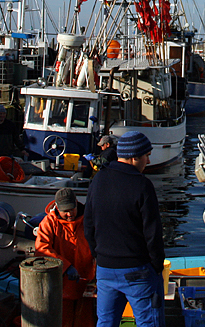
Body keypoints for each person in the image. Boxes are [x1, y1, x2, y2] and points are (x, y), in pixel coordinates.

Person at [84, 131, 165, 327]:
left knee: (105, 322)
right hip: (137, 270)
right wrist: (157, 265)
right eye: (147, 155)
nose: (148, 159)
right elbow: (153, 233)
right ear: (134, 157)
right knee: (149, 323)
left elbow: (88, 224)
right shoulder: (142, 185)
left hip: (105, 269)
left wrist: (98, 254)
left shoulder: (98, 180)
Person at [36, 187, 96, 327]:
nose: (69, 214)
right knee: (63, 321)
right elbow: (42, 249)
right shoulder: (49, 222)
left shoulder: (88, 220)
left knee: (85, 321)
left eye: (72, 209)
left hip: (87, 281)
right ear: (57, 207)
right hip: (61, 284)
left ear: (76, 203)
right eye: (65, 211)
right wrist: (66, 266)